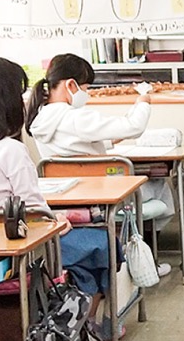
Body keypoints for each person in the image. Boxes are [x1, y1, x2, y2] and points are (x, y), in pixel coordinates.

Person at [0, 56, 117, 340]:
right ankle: (85, 328)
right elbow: (36, 214)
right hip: (19, 252)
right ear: (5, 101)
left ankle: (84, 324)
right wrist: (59, 220)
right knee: (103, 244)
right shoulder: (10, 150)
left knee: (88, 251)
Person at [26, 53, 174, 269]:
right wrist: (143, 102)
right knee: (161, 187)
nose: (86, 94)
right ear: (71, 85)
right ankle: (143, 261)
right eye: (85, 88)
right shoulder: (75, 117)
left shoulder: (41, 119)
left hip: (66, 198)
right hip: (100, 195)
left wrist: (114, 136)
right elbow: (134, 127)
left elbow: (81, 143)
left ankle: (135, 256)